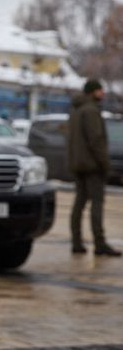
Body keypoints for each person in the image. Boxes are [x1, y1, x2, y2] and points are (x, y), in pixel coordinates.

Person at [69, 79, 121, 256]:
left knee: (79, 204)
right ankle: (100, 243)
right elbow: (96, 140)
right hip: (92, 166)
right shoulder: (91, 110)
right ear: (93, 92)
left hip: (78, 164)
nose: (103, 93)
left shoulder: (76, 110)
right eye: (100, 90)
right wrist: (105, 164)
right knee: (97, 204)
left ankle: (77, 242)